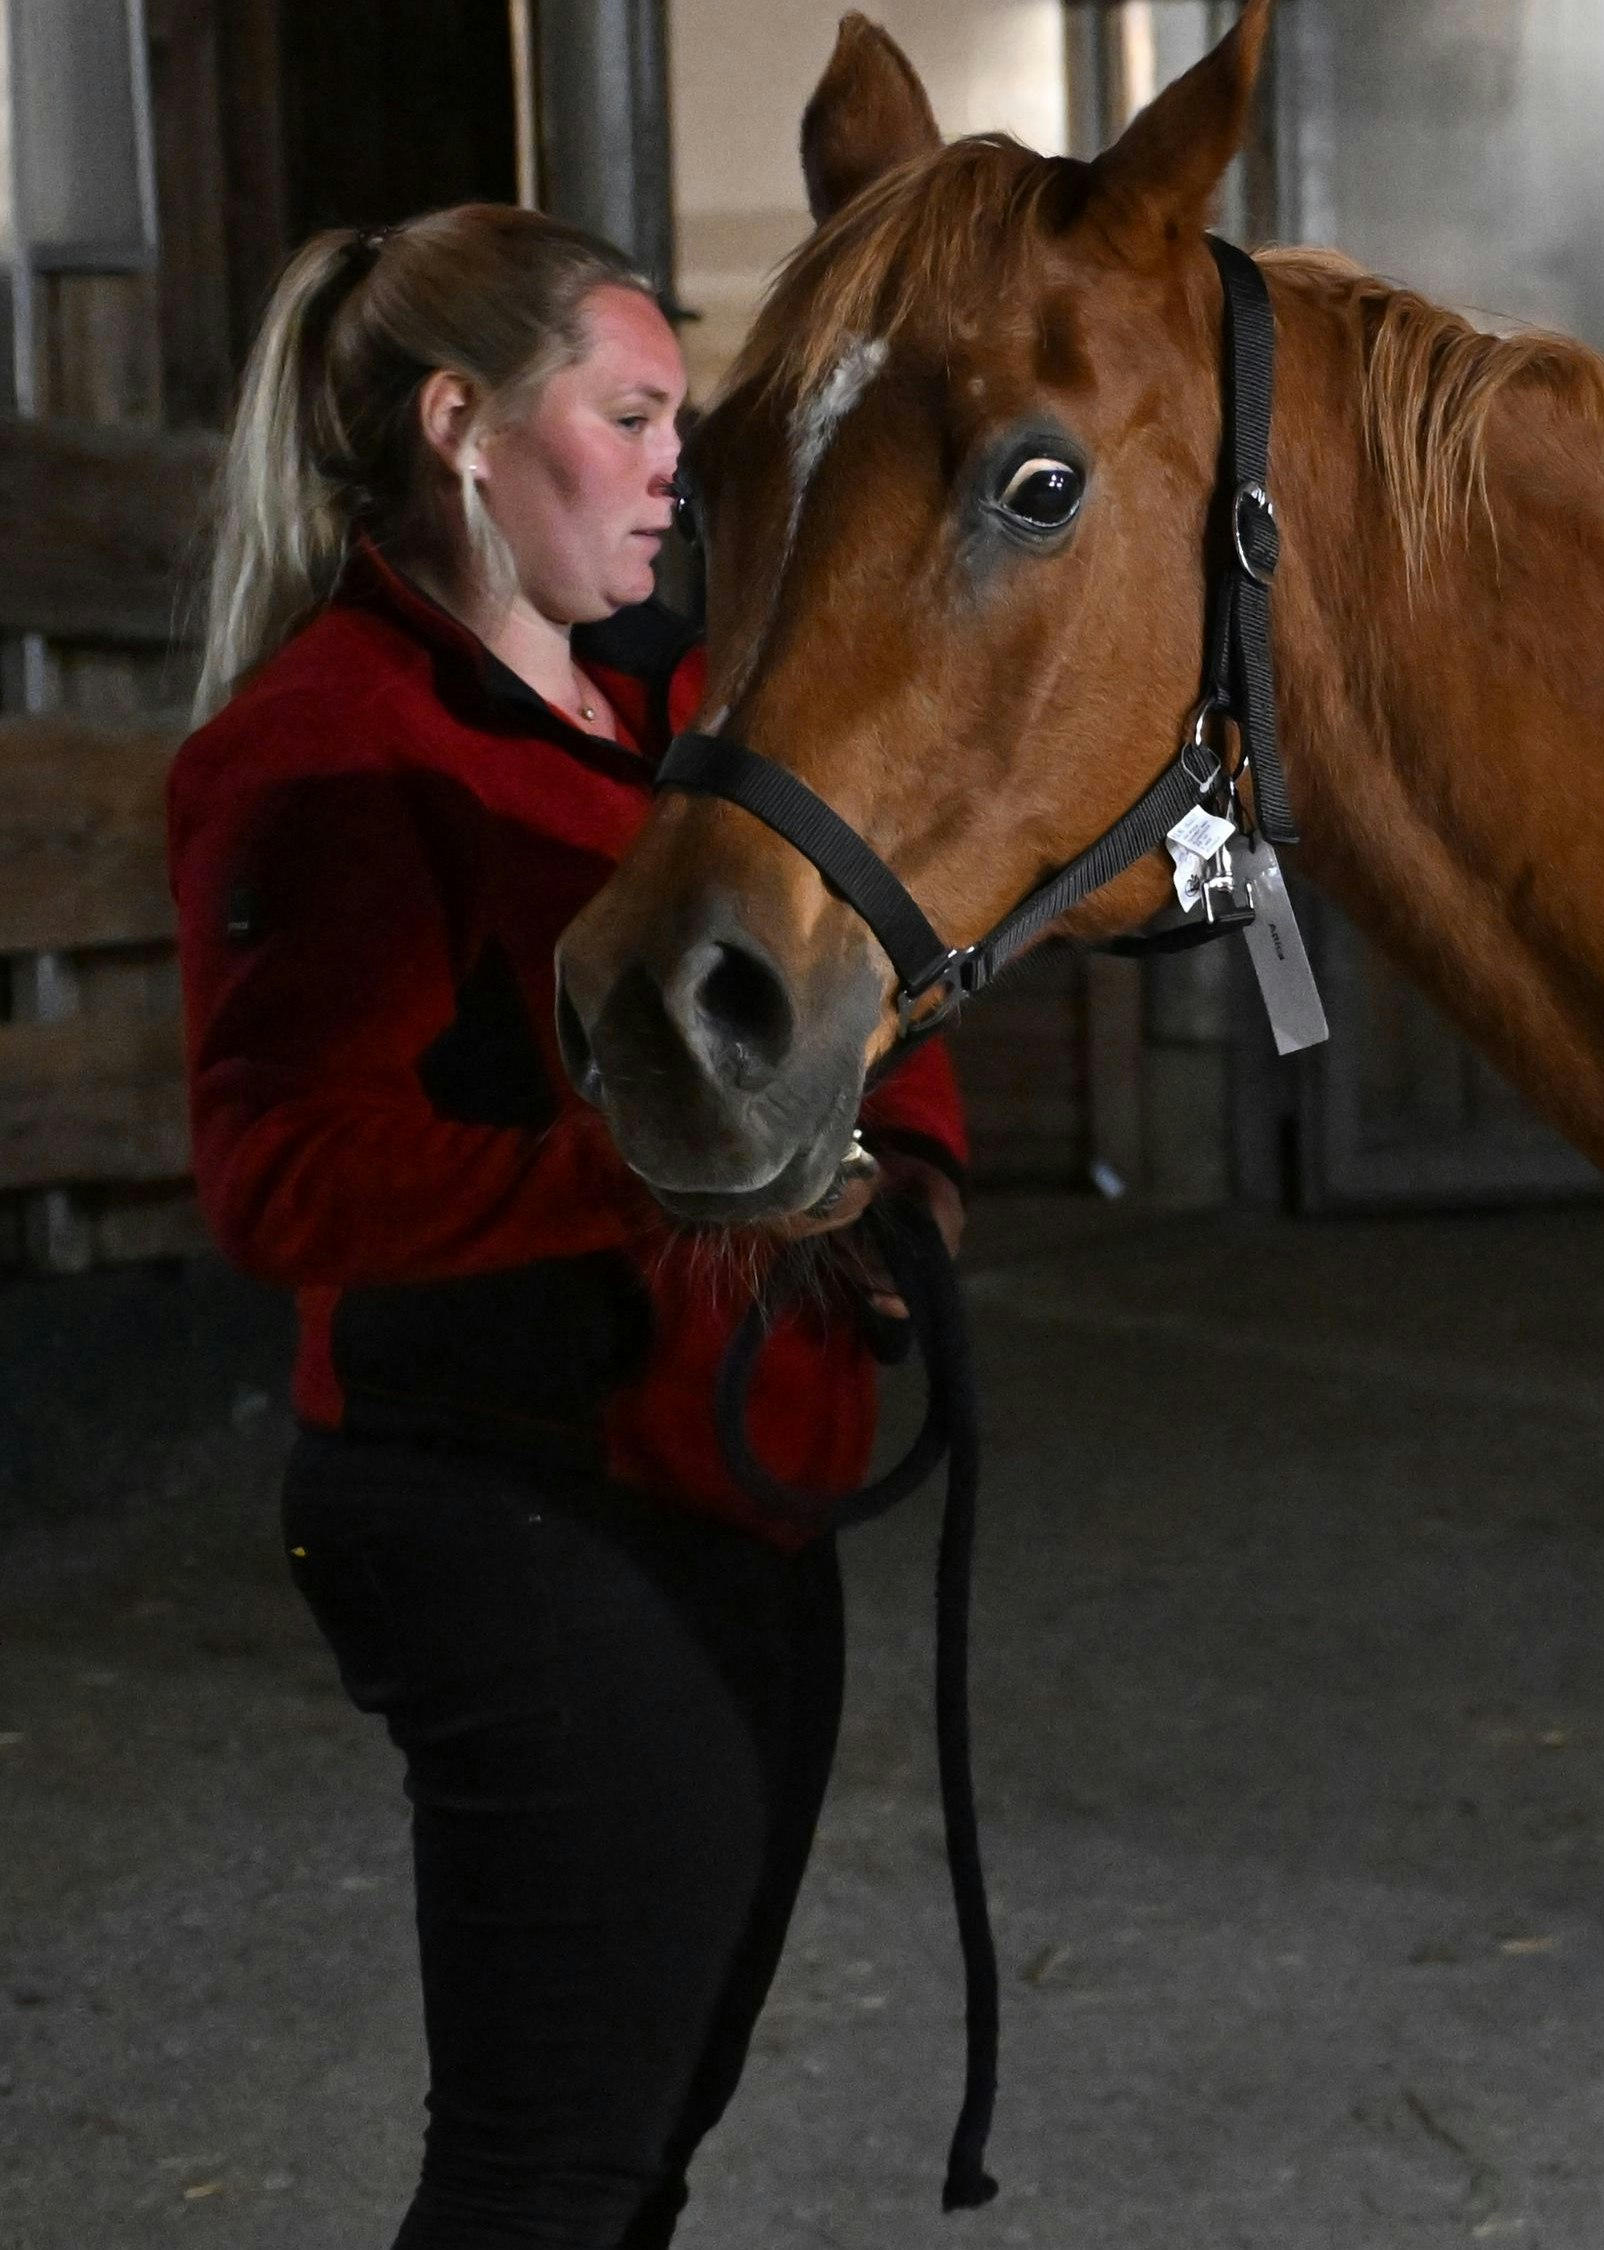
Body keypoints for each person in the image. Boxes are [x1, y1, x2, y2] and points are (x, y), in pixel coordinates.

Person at [167, 204, 969, 2247]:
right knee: (553, 2162)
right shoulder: (331, 754)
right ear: (464, 427)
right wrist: (671, 1174)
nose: (676, 462)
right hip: (519, 1503)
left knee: (639, 2136)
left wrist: (917, 1185)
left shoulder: (695, 714)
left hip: (726, 1482)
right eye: (631, 414)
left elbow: (868, 975)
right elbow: (283, 1178)